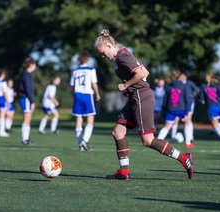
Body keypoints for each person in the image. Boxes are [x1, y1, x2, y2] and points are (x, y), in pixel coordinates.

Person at [94, 29, 194, 180]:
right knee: (118, 132)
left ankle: (184, 158)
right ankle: (123, 172)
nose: (102, 56)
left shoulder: (122, 56)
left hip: (142, 97)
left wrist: (126, 85)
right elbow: (145, 71)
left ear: (108, 45)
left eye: (102, 52)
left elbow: (140, 74)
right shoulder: (120, 56)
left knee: (148, 140)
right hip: (135, 97)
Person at [70, 51, 101, 151]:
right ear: (88, 59)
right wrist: (97, 94)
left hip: (77, 95)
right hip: (87, 95)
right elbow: (94, 84)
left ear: (79, 59)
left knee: (79, 119)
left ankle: (80, 144)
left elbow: (72, 86)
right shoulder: (91, 70)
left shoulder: (75, 71)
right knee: (90, 119)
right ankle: (85, 140)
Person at [157, 70, 192, 147]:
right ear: (179, 77)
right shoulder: (184, 86)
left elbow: (165, 101)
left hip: (170, 109)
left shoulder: (168, 86)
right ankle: (188, 143)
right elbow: (187, 99)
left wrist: (163, 111)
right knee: (187, 123)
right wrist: (187, 111)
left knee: (167, 126)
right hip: (181, 109)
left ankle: (158, 141)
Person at [199, 73, 220, 146]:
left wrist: (202, 100)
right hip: (219, 106)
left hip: (212, 107)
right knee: (216, 122)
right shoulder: (217, 86)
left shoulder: (203, 86)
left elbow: (201, 97)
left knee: (215, 126)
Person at [18, 58, 36, 145]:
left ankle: (26, 138)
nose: (35, 66)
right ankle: (24, 139)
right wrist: (32, 101)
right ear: (30, 65)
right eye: (34, 64)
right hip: (25, 98)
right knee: (27, 117)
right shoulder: (26, 74)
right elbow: (28, 89)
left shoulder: (26, 74)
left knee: (28, 117)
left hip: (26, 98)